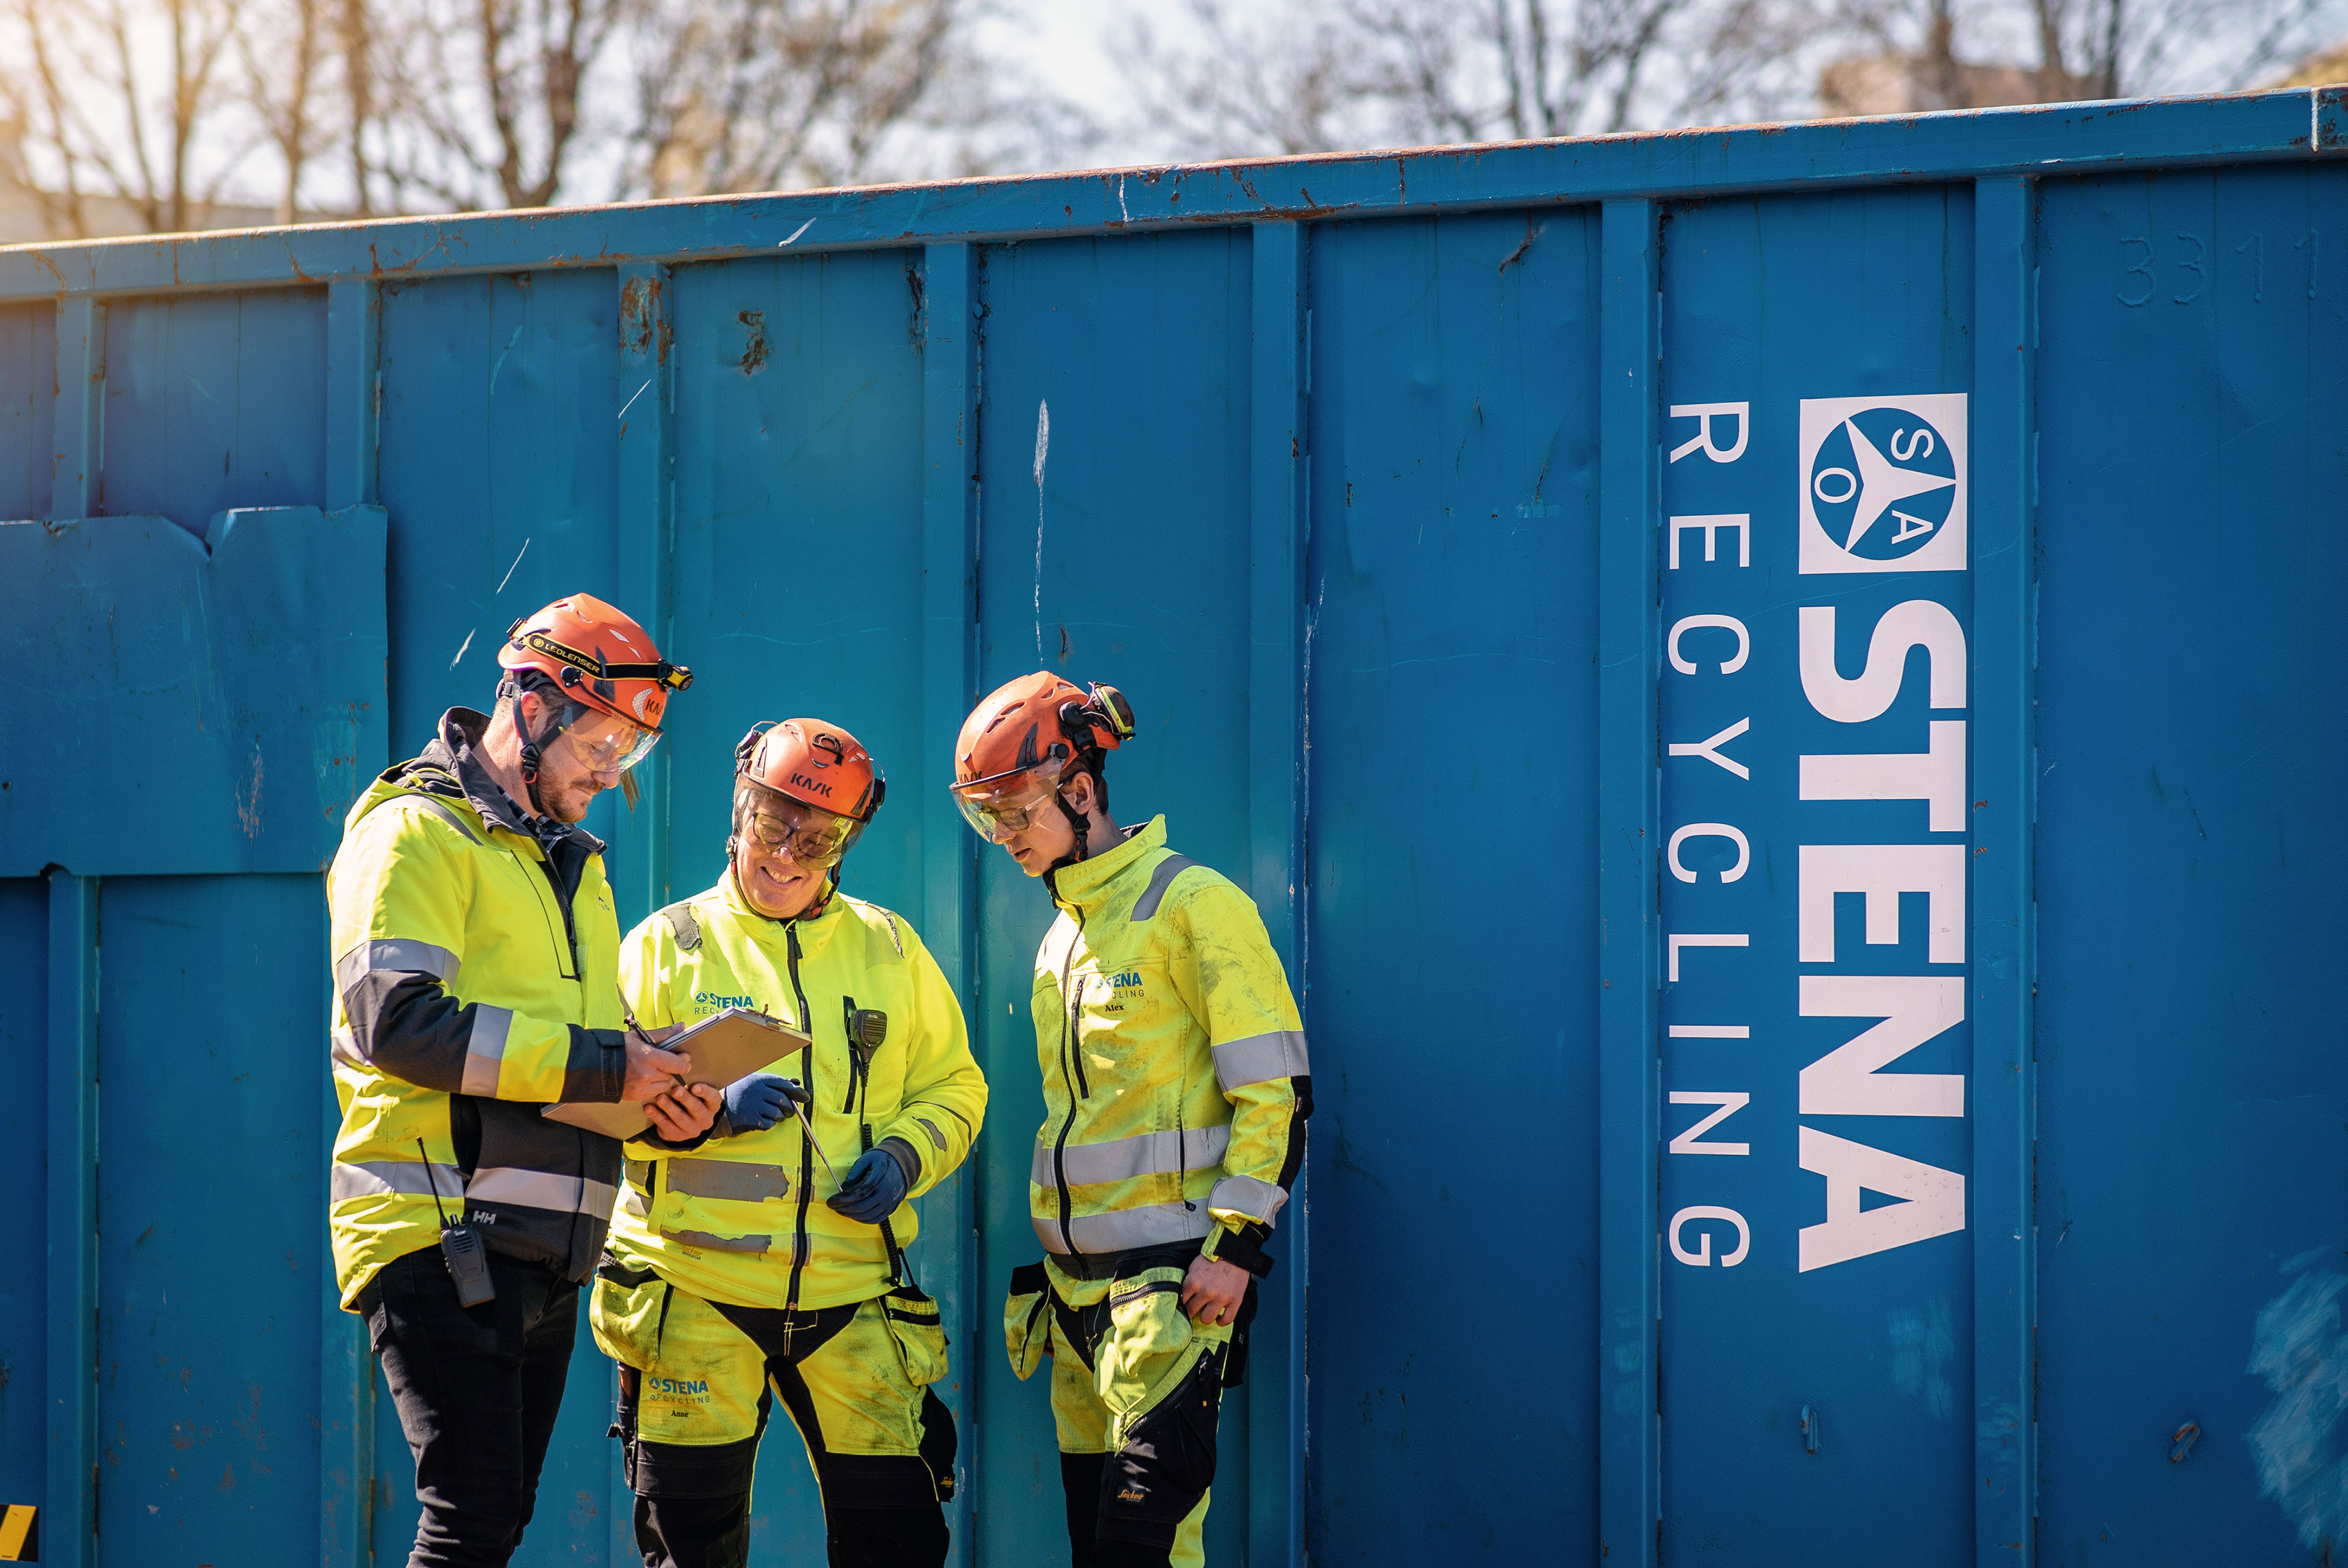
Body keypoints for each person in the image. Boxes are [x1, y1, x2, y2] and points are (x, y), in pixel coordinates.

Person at [328, 593, 722, 1568]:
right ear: (534, 702)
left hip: (543, 1240)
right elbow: (397, 1019)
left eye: (629, 752)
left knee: (494, 1519)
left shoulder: (574, 869)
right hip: (443, 1226)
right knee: (469, 1518)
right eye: (601, 741)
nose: (610, 771)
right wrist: (604, 1062)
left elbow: (560, 1052)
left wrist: (658, 1099)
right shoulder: (417, 830)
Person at [591, 718, 988, 1568]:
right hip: (694, 1291)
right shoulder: (663, 945)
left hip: (853, 1291)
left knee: (899, 1541)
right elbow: (594, 1106)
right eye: (773, 825)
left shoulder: (889, 947)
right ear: (739, 814)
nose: (787, 855)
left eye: (818, 837)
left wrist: (909, 1154)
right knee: (691, 1551)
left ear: (845, 843)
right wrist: (705, 1109)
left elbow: (957, 1086)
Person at [951, 673, 1313, 1568]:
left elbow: (1279, 1093)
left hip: (1172, 1293)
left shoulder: (1193, 904)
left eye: (1015, 809)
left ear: (1079, 788)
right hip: (1075, 1302)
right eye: (985, 816)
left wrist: (1236, 1250)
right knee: (1095, 1546)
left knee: (1140, 1549)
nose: (1003, 837)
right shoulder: (1061, 937)